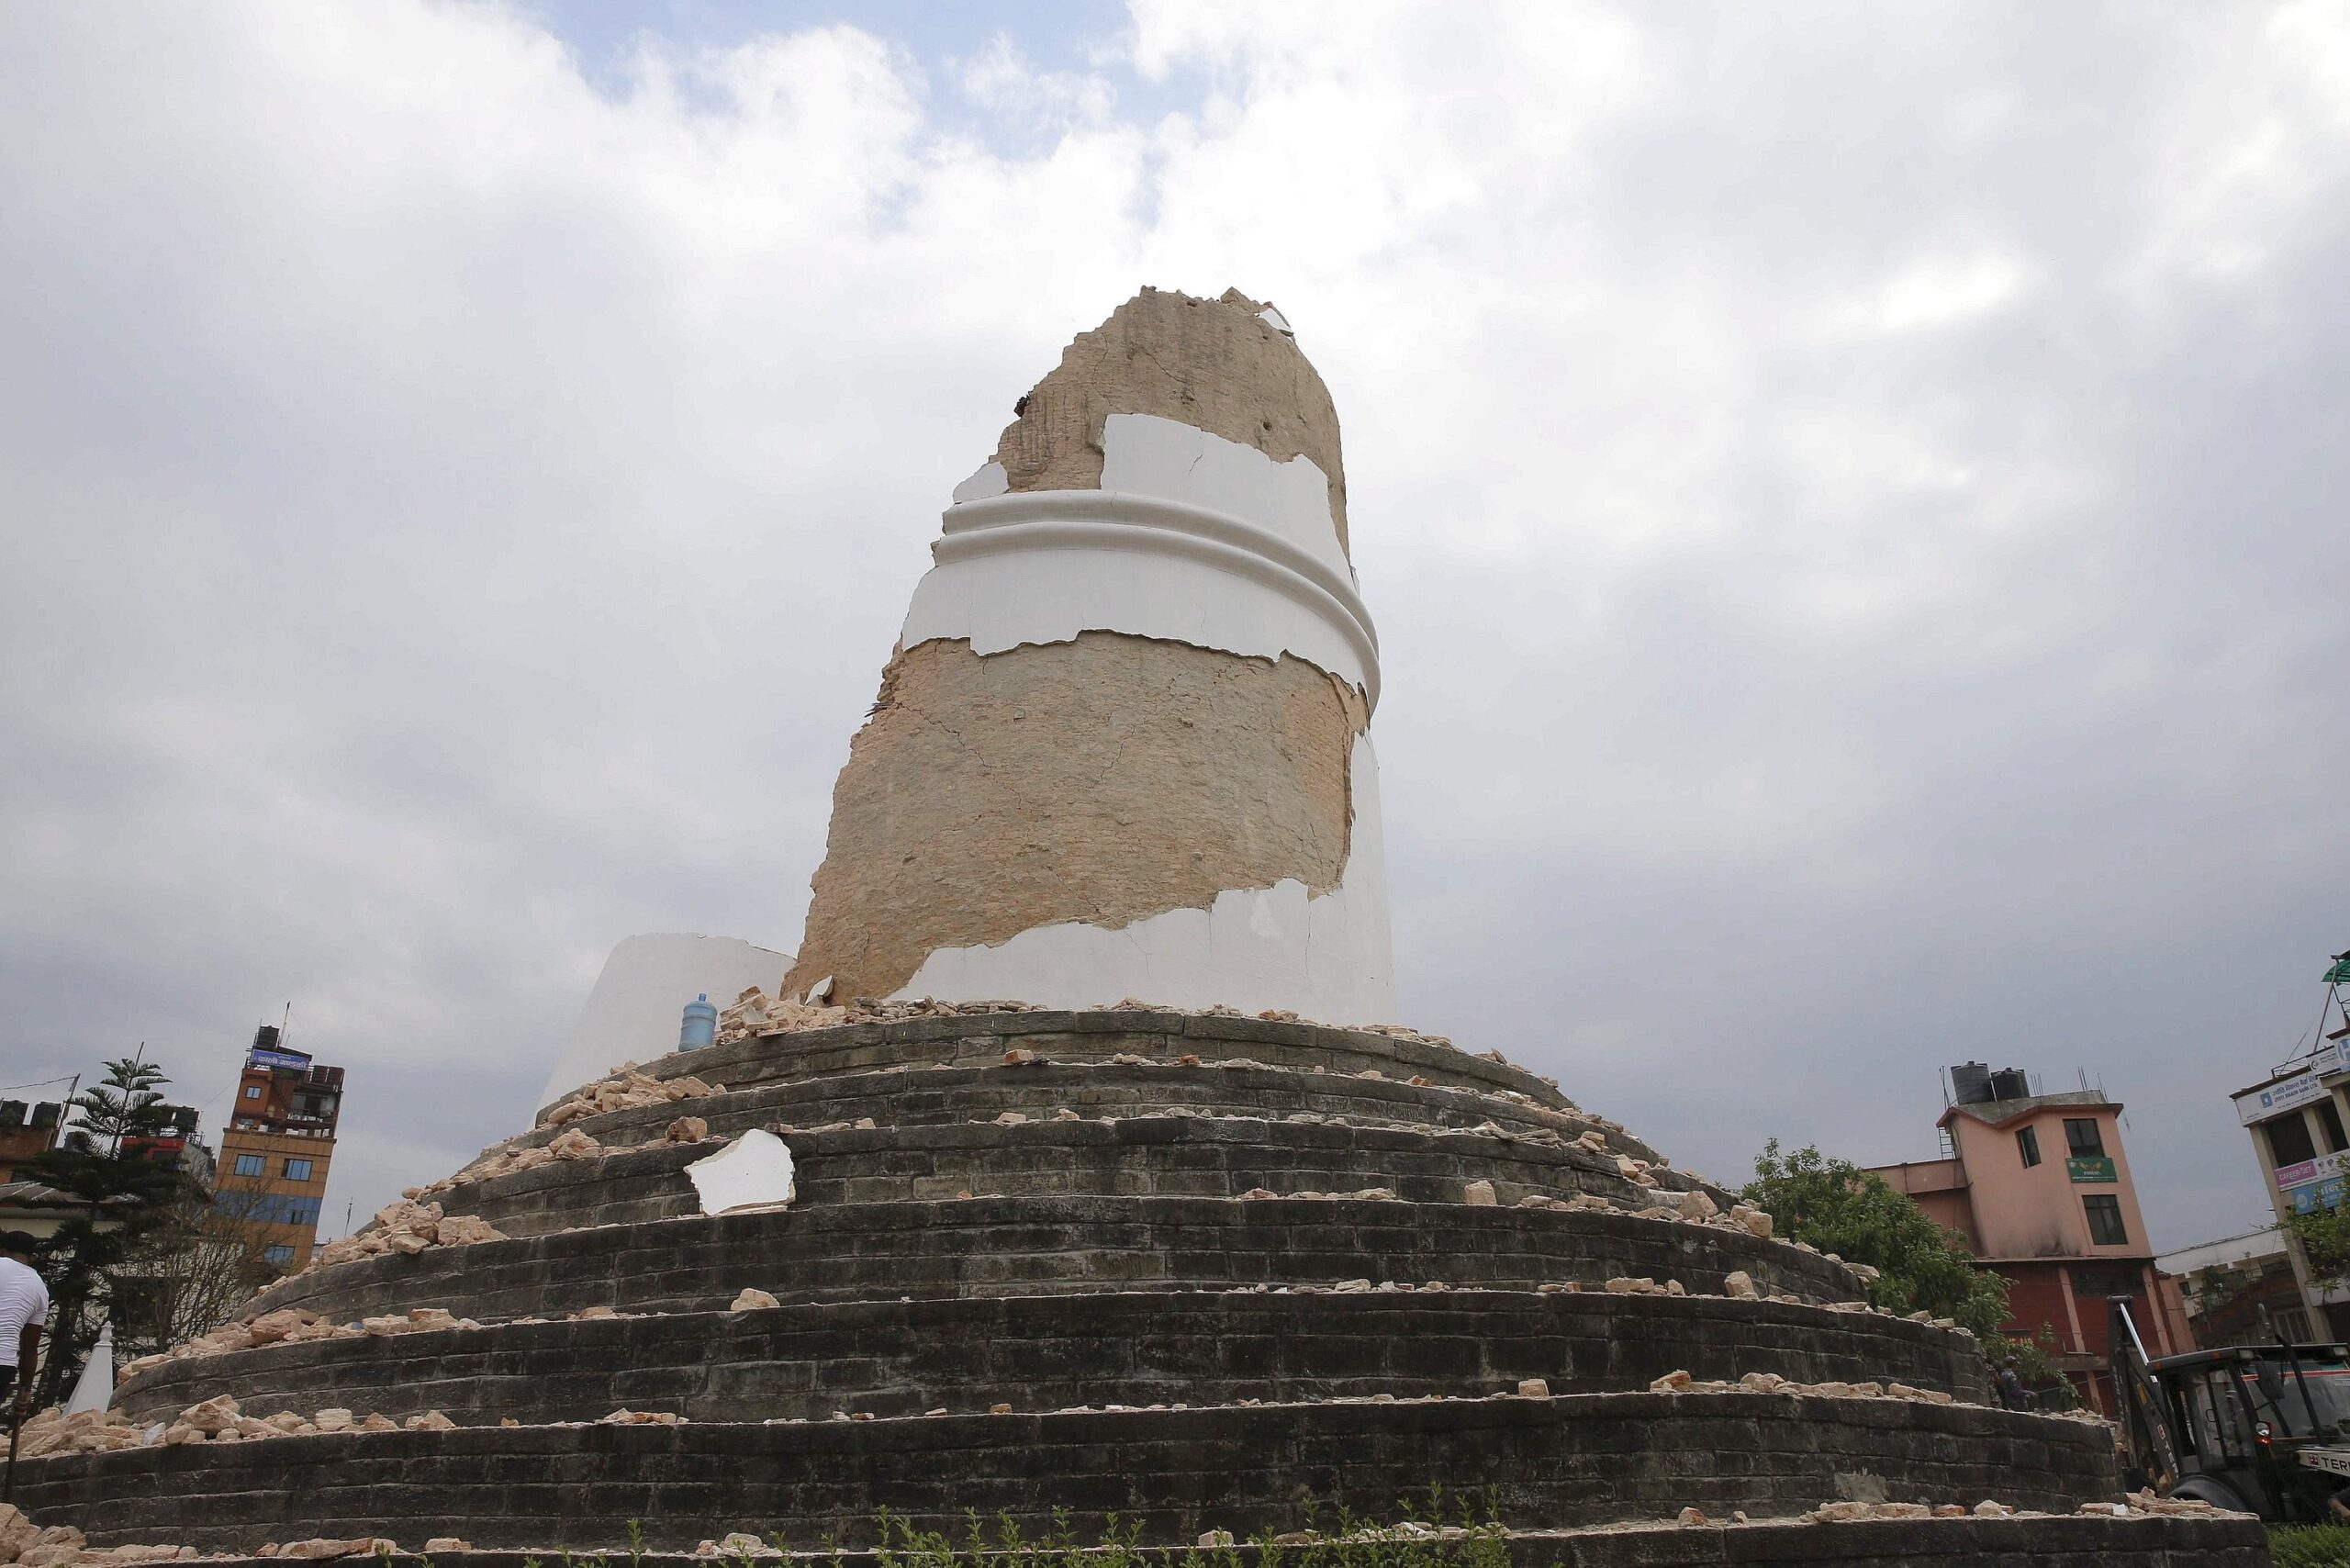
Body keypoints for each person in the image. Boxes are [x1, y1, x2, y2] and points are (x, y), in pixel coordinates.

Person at [0, 1232, 49, 1426]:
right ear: (33, 1258)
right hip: (3, 1365)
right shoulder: (40, 1289)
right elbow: (29, 1349)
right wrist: (25, 1391)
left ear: (3, 1251)